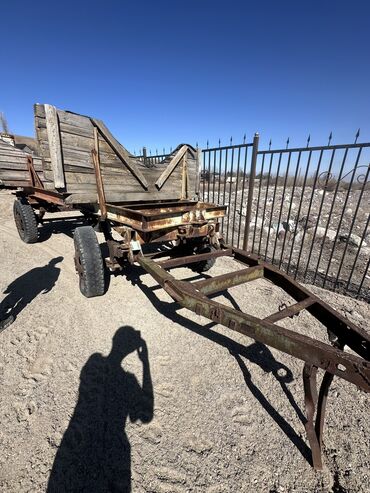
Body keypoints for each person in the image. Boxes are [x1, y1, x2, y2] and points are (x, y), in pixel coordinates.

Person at [47, 326, 154, 493]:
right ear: (132, 350)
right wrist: (145, 364)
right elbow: (145, 416)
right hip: (114, 442)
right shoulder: (129, 380)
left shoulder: (94, 362)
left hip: (81, 431)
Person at [0, 256, 63, 333]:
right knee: (15, 298)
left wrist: (50, 285)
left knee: (16, 298)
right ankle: (4, 321)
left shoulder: (44, 270)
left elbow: (23, 277)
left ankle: (3, 316)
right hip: (34, 287)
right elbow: (23, 277)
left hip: (34, 288)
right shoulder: (43, 270)